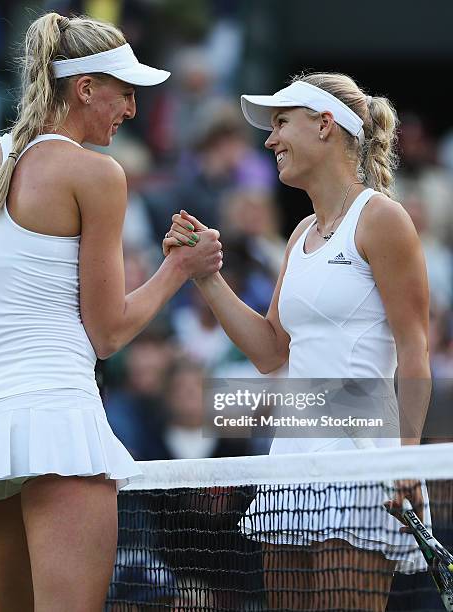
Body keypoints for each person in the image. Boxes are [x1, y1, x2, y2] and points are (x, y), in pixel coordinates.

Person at [0, 13, 223, 612]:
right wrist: (178, 270)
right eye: (125, 93)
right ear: (85, 88)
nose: (131, 109)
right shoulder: (96, 173)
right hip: (57, 425)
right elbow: (107, 334)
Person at [163, 73, 431, 610]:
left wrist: (406, 460)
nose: (270, 139)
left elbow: (414, 348)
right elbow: (268, 351)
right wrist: (206, 275)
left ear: (325, 125)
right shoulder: (298, 235)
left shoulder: (382, 219)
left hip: (360, 460)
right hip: (292, 456)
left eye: (282, 122)